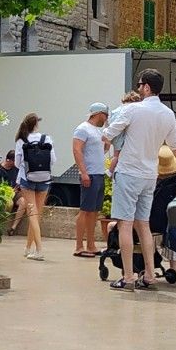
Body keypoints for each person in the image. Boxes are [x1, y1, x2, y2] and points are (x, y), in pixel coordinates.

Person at [102, 70, 176, 291]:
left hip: (129, 173)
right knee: (144, 225)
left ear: (146, 87)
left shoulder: (132, 109)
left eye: (140, 85)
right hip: (150, 175)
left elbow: (110, 132)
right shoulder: (167, 114)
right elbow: (175, 146)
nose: (138, 88)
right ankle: (149, 274)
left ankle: (128, 277)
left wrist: (105, 138)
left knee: (126, 225)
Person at [12, 113, 56, 261]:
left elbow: (18, 164)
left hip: (27, 179)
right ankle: (28, 248)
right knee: (36, 214)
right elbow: (53, 160)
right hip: (44, 178)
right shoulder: (47, 138)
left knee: (32, 213)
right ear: (36, 124)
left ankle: (38, 249)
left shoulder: (21, 140)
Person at [71, 103, 109, 258]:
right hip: (90, 174)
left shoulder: (97, 131)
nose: (106, 118)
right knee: (85, 210)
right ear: (98, 113)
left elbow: (99, 151)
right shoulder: (82, 129)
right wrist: (84, 172)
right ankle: (79, 246)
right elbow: (77, 149)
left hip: (99, 173)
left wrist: (106, 144)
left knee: (94, 211)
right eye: (105, 115)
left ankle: (91, 245)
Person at [151, 145, 176, 282]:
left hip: (151, 221)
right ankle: (175, 269)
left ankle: (148, 268)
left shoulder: (151, 183)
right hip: (169, 221)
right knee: (172, 229)